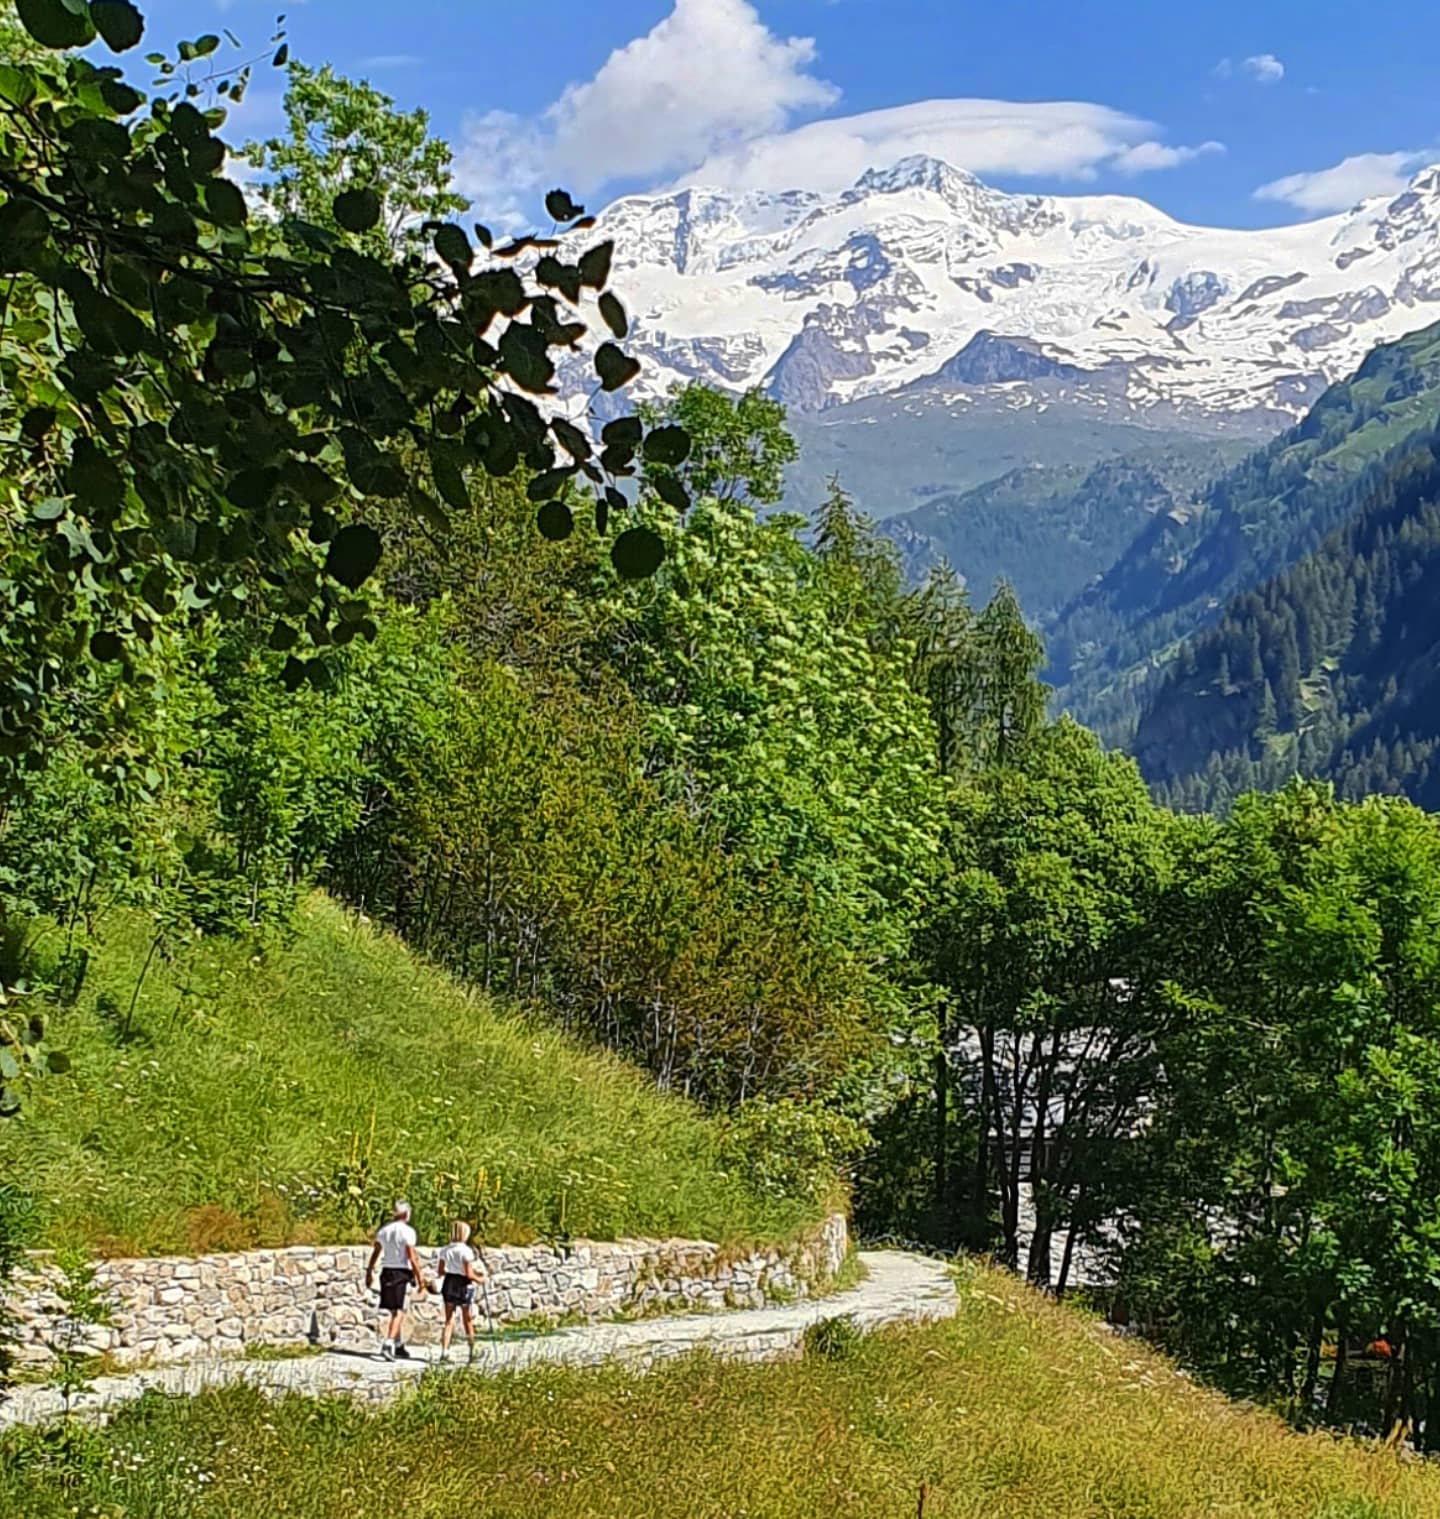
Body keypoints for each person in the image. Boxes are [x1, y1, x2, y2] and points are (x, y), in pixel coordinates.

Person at [365, 1200, 425, 1361]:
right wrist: (420, 1278)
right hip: (401, 1272)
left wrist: (369, 1270)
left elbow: (376, 1251)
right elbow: (411, 1257)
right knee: (399, 1311)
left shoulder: (384, 1231)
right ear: (406, 1214)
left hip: (387, 1271)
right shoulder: (408, 1232)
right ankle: (388, 1343)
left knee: (393, 1309)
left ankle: (398, 1345)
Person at [433, 1219, 485, 1364]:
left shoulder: (444, 1250)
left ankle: (445, 1351)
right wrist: (480, 1279)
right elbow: (468, 1273)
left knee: (449, 1320)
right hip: (463, 1284)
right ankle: (472, 1350)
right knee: (467, 1319)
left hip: (449, 1283)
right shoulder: (466, 1251)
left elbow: (440, 1271)